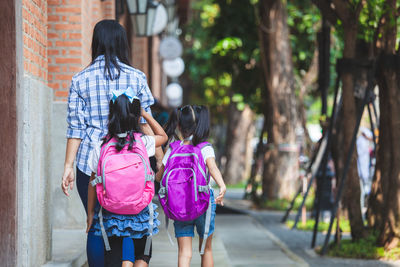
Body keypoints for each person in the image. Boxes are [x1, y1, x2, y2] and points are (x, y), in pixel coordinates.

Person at [61, 20, 156, 266]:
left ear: (96, 43)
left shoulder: (80, 79)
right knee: (130, 217)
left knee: (95, 220)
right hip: (131, 158)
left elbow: (76, 129)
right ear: (122, 43)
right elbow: (145, 123)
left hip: (93, 162)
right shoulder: (137, 77)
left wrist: (69, 166)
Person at [87, 93, 168, 267]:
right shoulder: (142, 142)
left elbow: (93, 183)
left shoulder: (101, 146)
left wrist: (90, 214)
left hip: (112, 210)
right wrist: (145, 115)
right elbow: (163, 137)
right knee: (142, 255)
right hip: (140, 209)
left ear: (111, 115)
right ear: (134, 116)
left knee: (115, 257)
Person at [156, 105, 226, 267]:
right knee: (206, 249)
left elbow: (160, 177)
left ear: (179, 126)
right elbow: (213, 167)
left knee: (184, 253)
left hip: (178, 204)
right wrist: (222, 186)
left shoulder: (173, 149)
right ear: (199, 124)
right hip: (203, 202)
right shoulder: (204, 148)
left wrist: (157, 169)